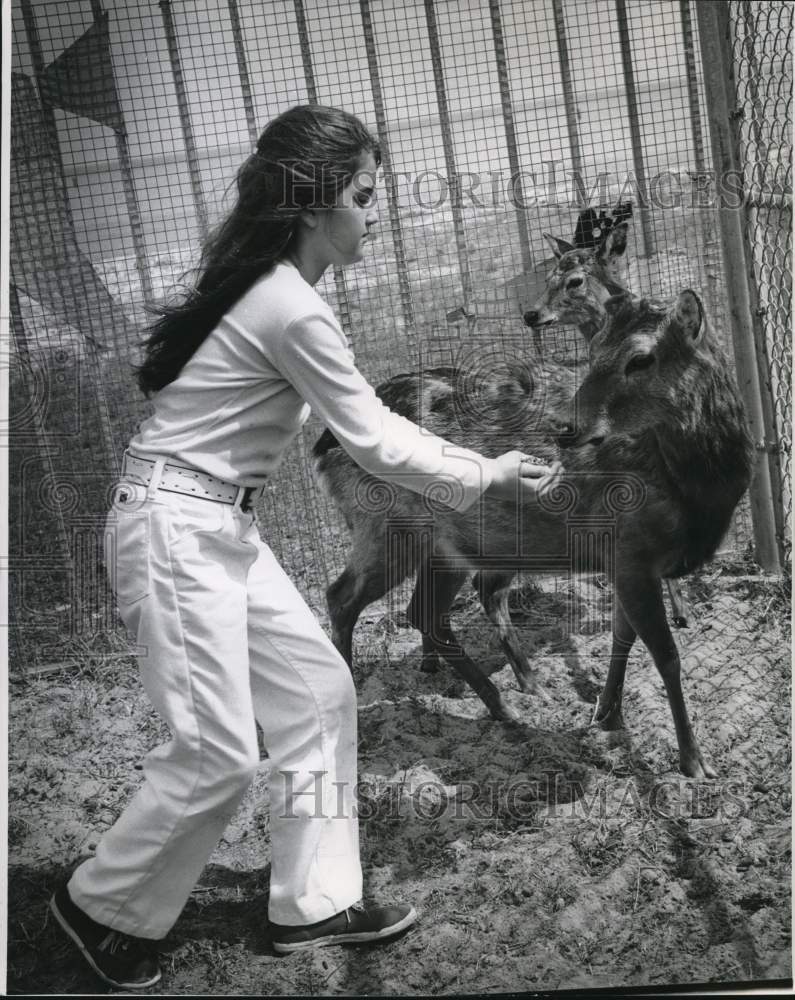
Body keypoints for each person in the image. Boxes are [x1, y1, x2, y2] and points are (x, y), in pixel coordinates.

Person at [50, 105, 558, 991]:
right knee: (215, 750)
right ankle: (101, 910)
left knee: (320, 694)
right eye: (364, 195)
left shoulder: (282, 293)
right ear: (316, 204)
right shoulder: (290, 306)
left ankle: (314, 902)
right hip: (175, 529)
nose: (376, 211)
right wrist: (492, 473)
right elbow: (376, 442)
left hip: (214, 525)